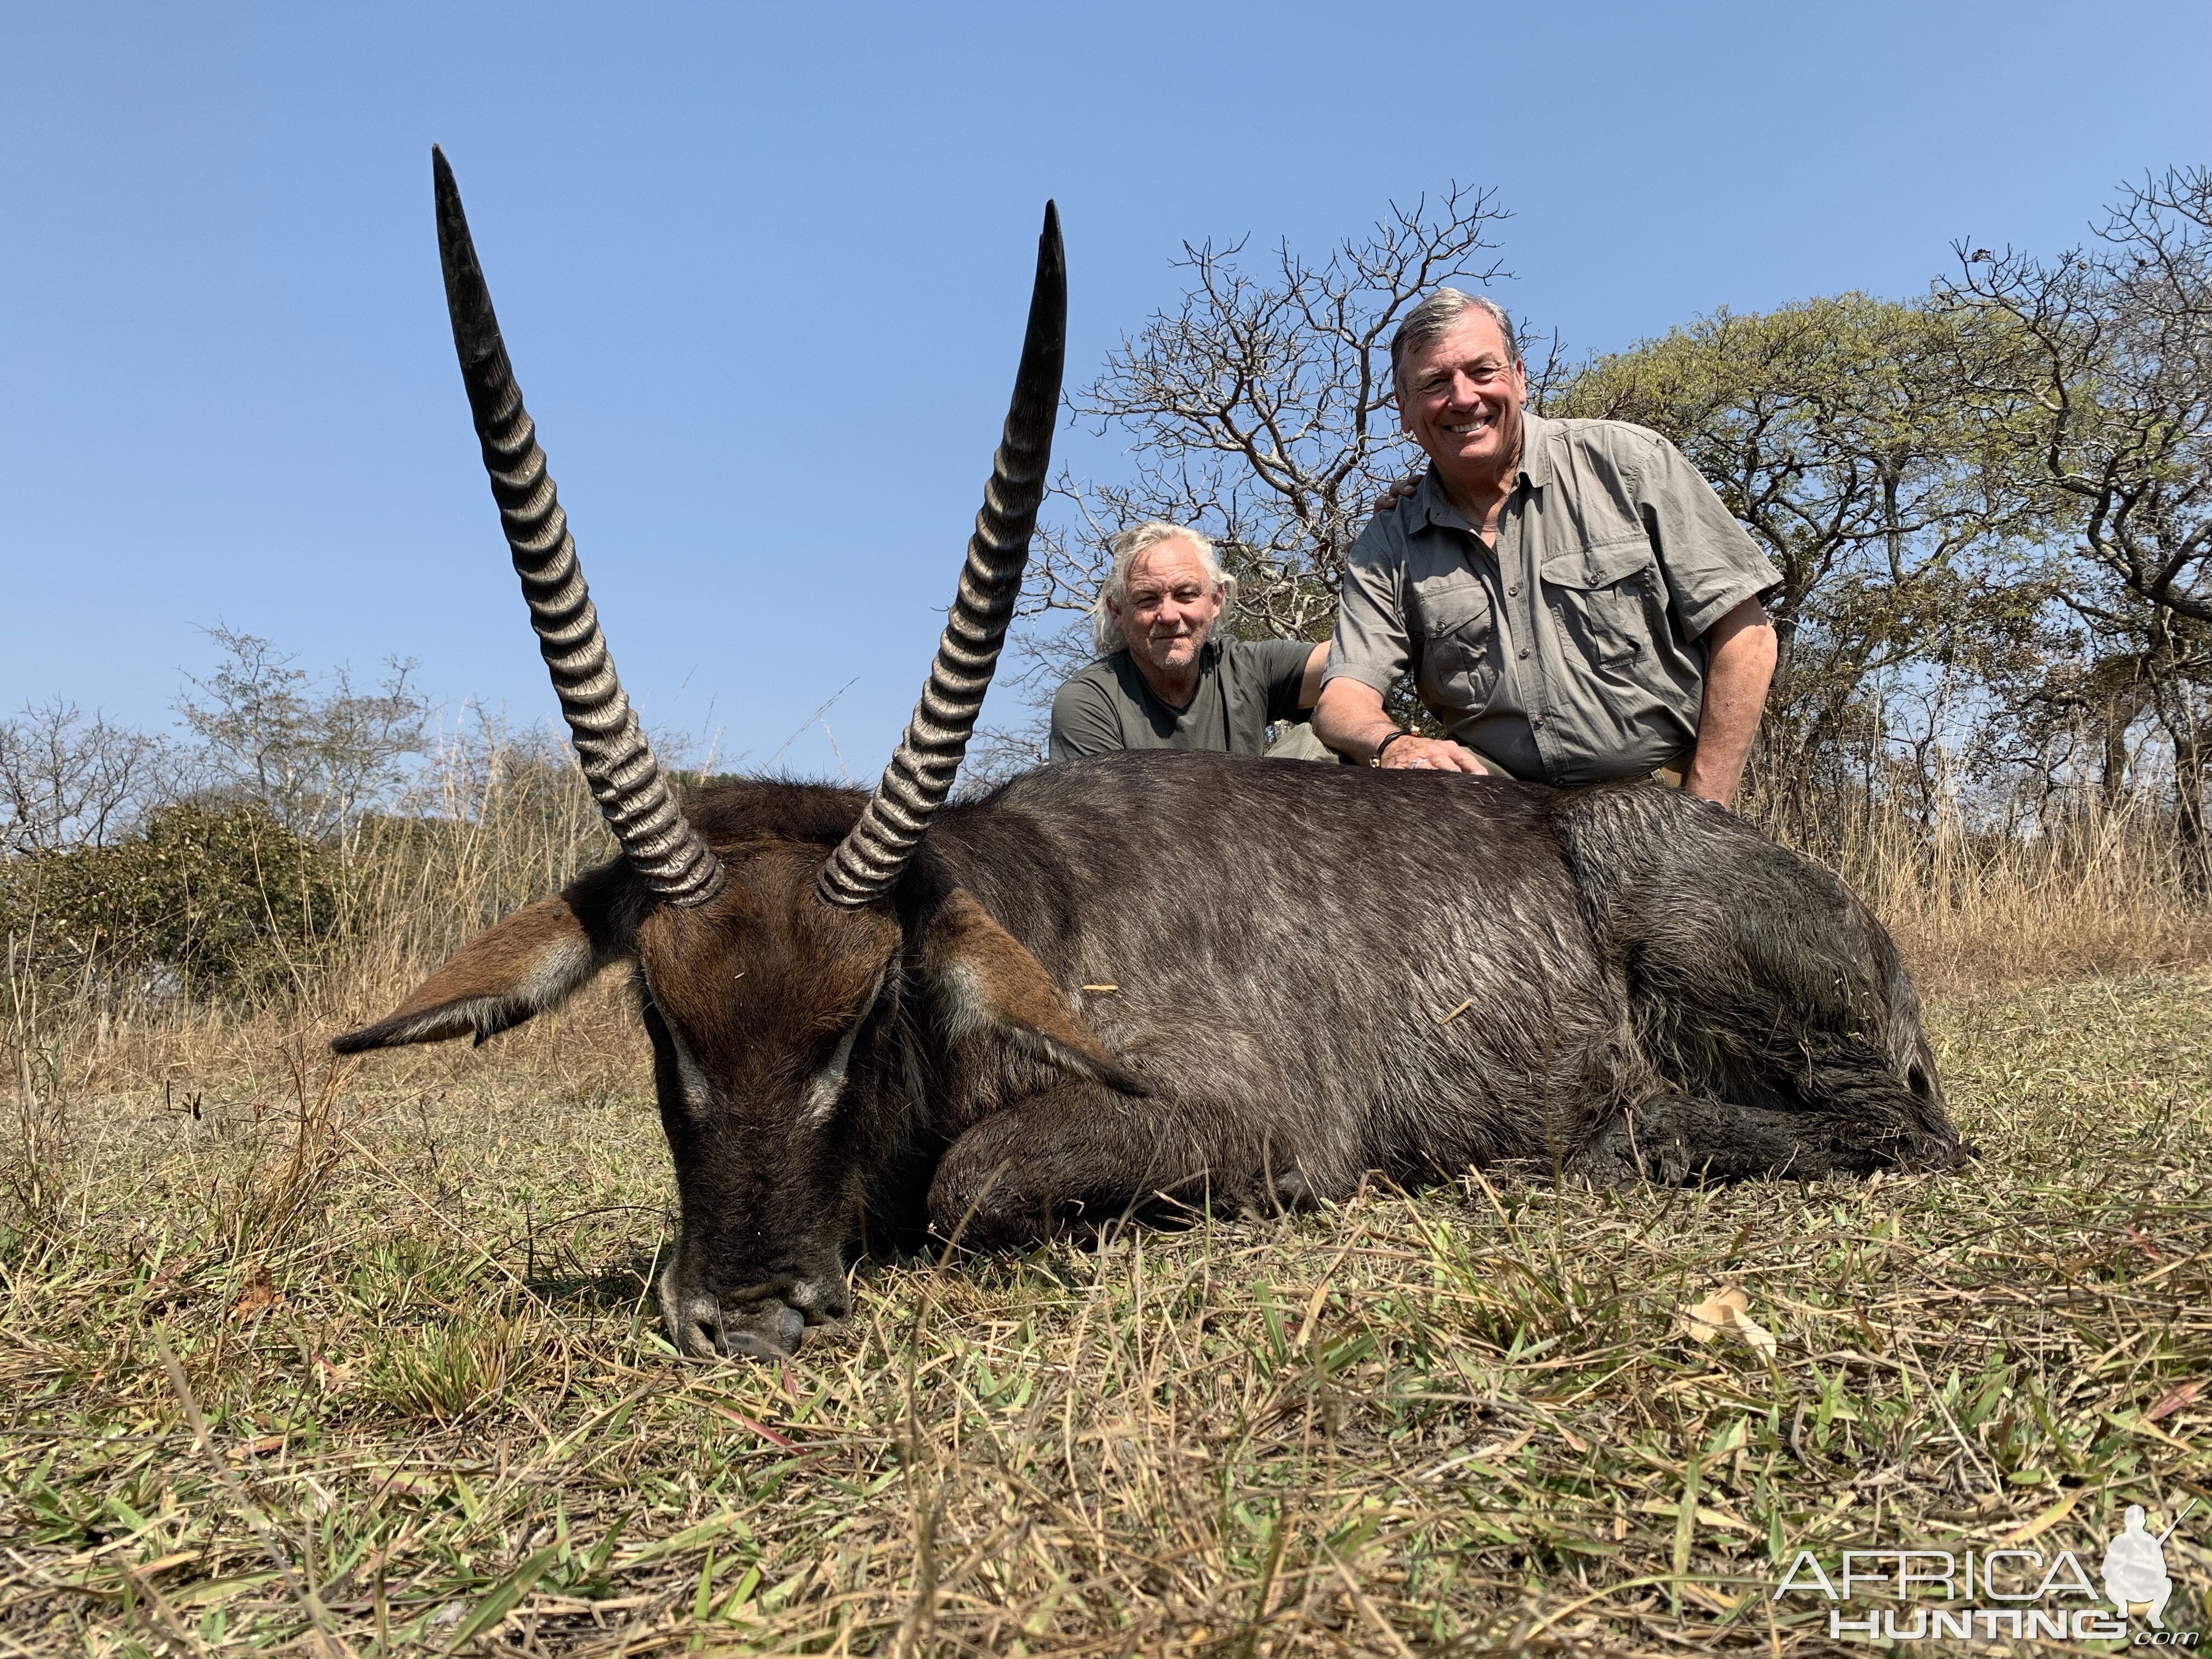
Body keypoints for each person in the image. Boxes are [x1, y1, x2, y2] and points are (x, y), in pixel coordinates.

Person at [1312, 289, 1780, 805]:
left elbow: (1748, 637)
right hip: (1505, 811)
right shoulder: (1387, 541)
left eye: (1482, 372)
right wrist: (1394, 744)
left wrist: (1708, 807)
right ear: (1403, 409)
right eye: (1435, 383)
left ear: (1519, 378)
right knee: (1303, 756)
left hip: (1657, 799)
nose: (1463, 398)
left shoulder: (1628, 463)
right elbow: (1343, 700)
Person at [1049, 521, 1327, 761]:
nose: (1169, 615)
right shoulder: (1088, 701)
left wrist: (1371, 559)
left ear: (1216, 600)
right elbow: (1113, 820)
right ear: (1117, 611)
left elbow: (1356, 661)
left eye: (1185, 594)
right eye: (1147, 599)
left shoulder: (1247, 668)